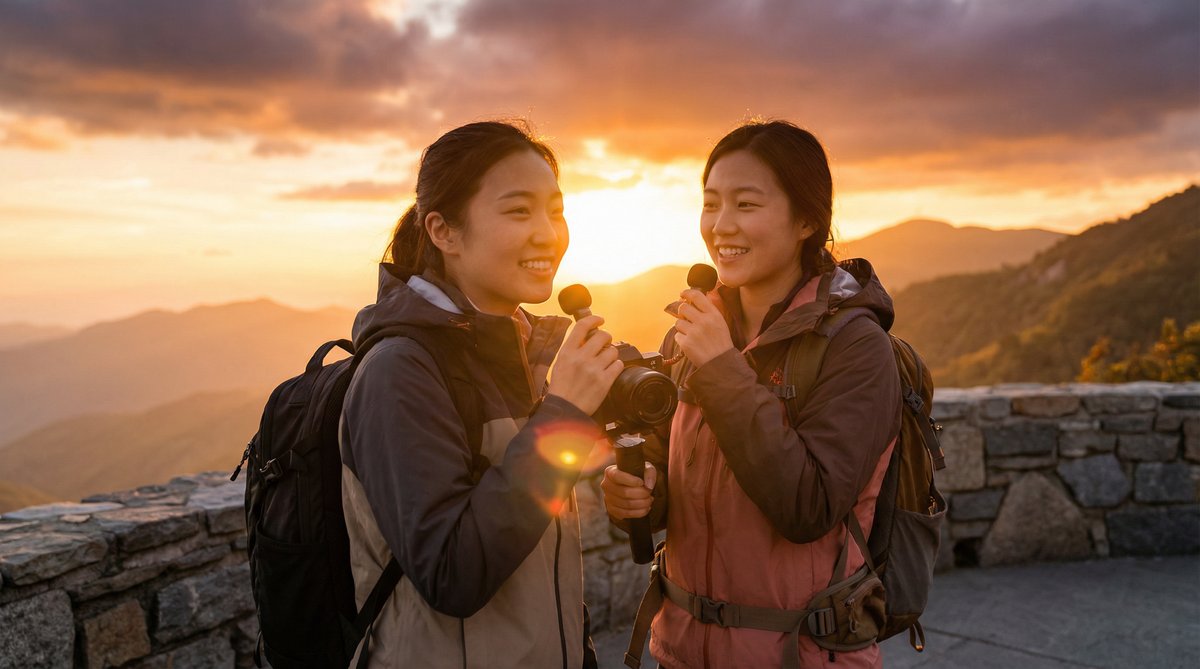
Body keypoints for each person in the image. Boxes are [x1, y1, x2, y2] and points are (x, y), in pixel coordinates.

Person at [602, 120, 902, 668]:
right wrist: (638, 492)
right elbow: (676, 473)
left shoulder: (855, 347)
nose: (721, 226)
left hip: (799, 655)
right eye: (711, 203)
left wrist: (719, 367)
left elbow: (808, 508)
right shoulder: (691, 333)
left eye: (746, 205)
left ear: (807, 220)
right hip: (681, 652)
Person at [340, 121, 622, 668]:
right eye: (519, 211)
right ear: (443, 232)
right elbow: (452, 574)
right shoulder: (399, 371)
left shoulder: (524, 348)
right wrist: (562, 413)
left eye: (555, 210)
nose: (548, 233)